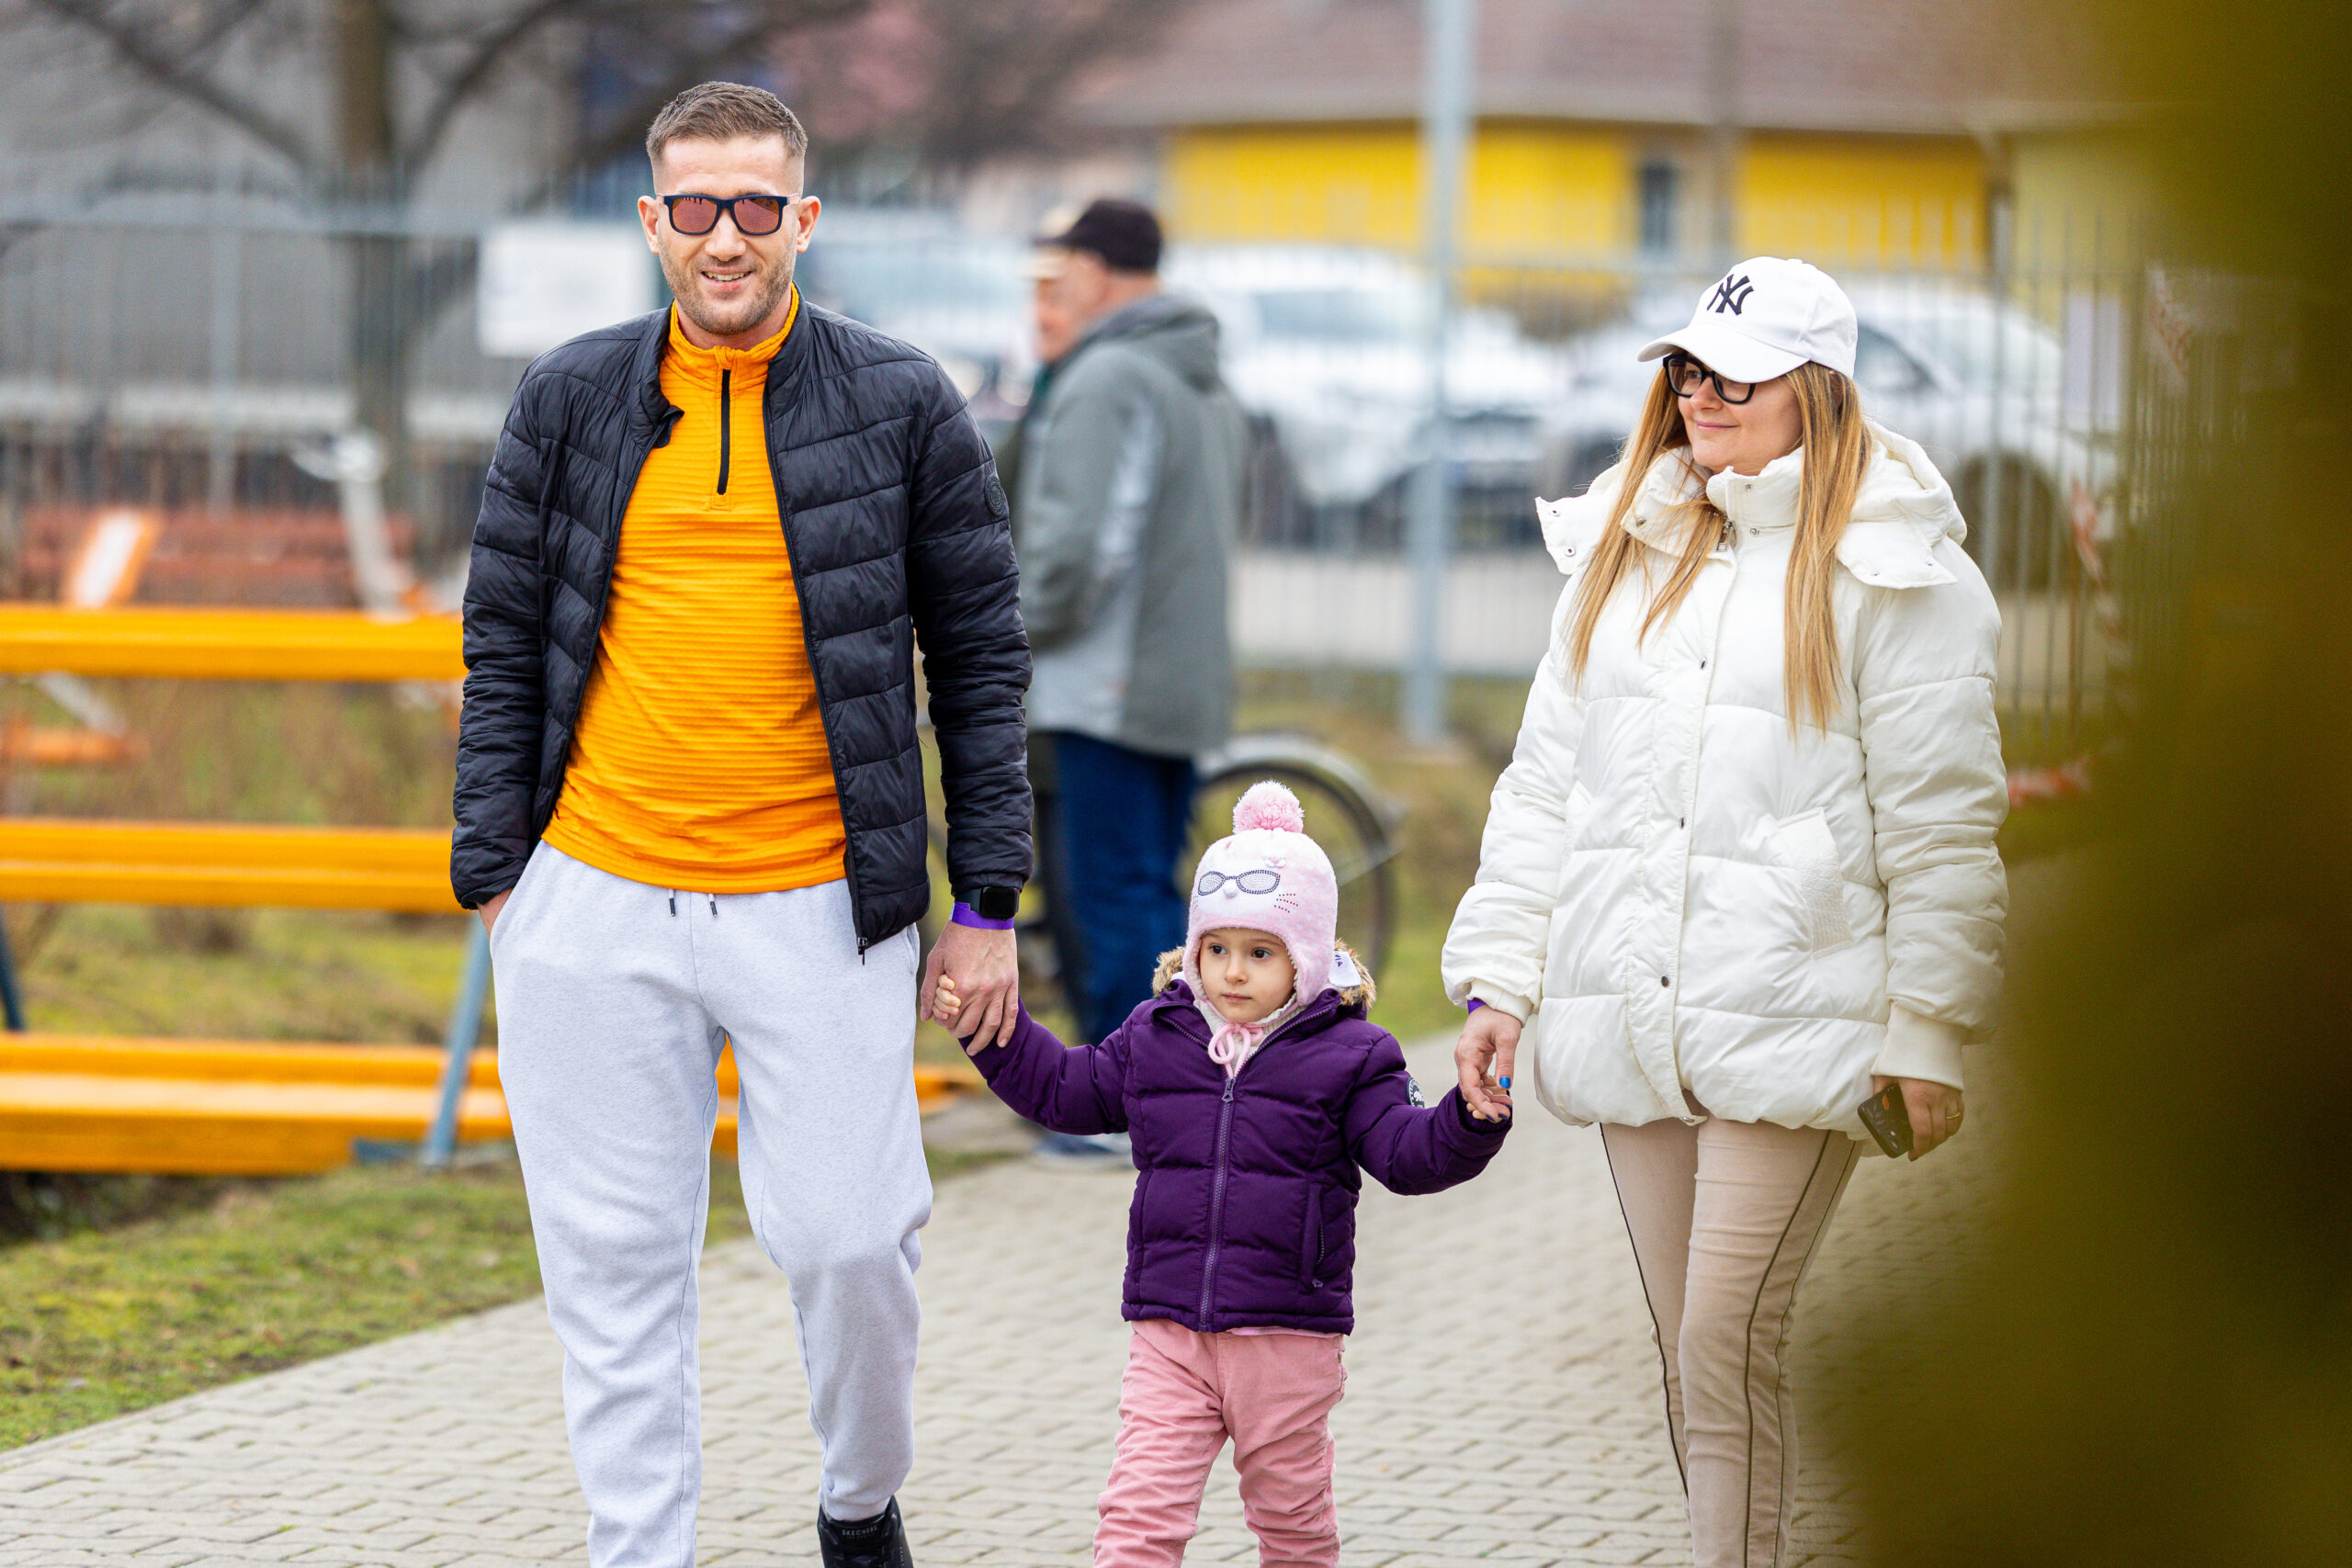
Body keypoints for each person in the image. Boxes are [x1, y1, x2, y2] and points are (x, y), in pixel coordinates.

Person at [451, 80, 1031, 1568]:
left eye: (757, 206)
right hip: (593, 898)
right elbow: (501, 635)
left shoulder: (902, 401)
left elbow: (979, 662)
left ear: (804, 219)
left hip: (819, 900)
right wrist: (499, 876)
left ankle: (859, 1500)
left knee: (852, 1237)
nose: (727, 237)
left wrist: (986, 903)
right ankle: (638, 1547)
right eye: (698, 207)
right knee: (612, 1266)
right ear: (654, 222)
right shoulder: (570, 396)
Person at [1442, 258, 2007, 1568]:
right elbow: (1545, 786)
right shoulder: (1623, 545)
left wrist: (1928, 1026)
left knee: (1723, 1334)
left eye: (1735, 376)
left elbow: (1943, 825)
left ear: (1816, 386)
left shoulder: (1896, 567)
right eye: (1688, 369)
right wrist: (1501, 980)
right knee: (1687, 1349)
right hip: (1630, 1001)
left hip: (1802, 1007)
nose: (1701, 394)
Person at [933, 781, 1510, 1567]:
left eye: (1260, 952)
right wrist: (988, 1029)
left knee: (1293, 1526)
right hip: (1170, 1333)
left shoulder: (1354, 1055)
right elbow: (1066, 1089)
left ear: (1306, 955)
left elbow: (1408, 1155)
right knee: (1136, 1517)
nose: (1233, 972)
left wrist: (1469, 1119)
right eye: (1217, 948)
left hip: (1286, 1339)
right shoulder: (1158, 1034)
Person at [1012, 197, 1247, 1060]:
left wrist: (1008, 632)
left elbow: (1078, 549)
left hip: (1104, 689)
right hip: (1180, 685)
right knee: (1154, 898)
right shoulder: (1204, 376)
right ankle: (1190, 1088)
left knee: (1107, 906)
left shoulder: (1108, 376)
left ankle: (1135, 1097)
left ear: (1090, 270)